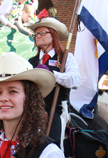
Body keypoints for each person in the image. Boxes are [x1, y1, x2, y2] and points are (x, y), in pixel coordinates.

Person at [28, 17, 80, 146]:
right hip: (33, 109)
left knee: (53, 144)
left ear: (54, 34)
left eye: (43, 33)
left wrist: (52, 75)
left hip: (56, 108)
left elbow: (75, 80)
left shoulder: (65, 58)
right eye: (36, 34)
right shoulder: (31, 62)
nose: (38, 36)